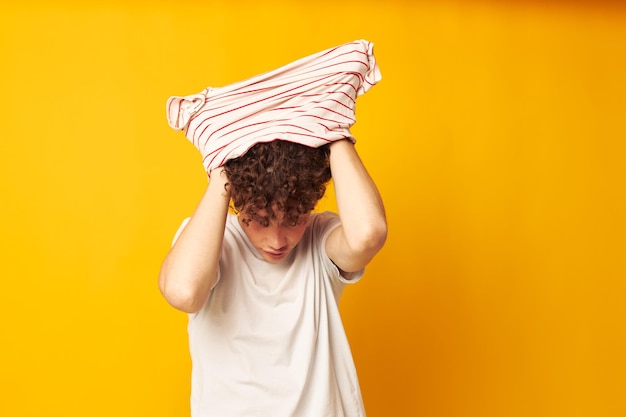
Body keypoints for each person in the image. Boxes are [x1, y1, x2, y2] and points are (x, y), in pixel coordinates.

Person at [159, 137, 387, 416]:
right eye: (260, 219)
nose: (277, 240)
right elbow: (183, 291)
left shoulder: (319, 238)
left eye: (294, 218)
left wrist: (335, 134)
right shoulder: (212, 241)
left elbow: (368, 235)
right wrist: (222, 168)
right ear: (237, 199)